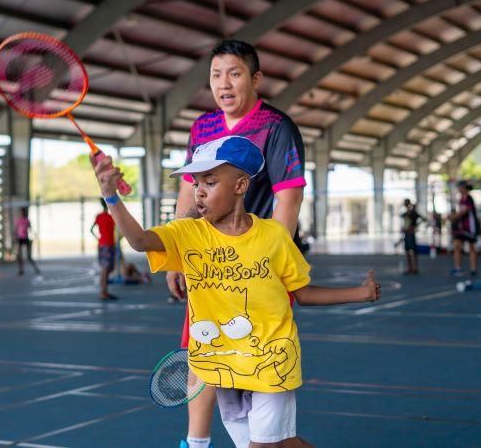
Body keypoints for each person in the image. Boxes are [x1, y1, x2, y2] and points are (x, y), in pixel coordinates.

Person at [92, 137, 380, 448]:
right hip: (220, 367)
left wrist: (360, 293)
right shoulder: (187, 233)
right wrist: (110, 195)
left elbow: (304, 293)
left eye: (211, 182)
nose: (199, 191)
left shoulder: (273, 237)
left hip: (271, 361)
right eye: (197, 182)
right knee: (284, 444)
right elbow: (139, 241)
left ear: (240, 185)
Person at [167, 39, 308, 448]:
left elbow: (289, 197)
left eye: (234, 73)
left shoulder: (276, 127)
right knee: (201, 350)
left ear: (255, 78)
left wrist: (270, 261)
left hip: (257, 268)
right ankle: (195, 443)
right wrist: (177, 255)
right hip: (210, 267)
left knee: (264, 392)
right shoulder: (202, 127)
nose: (224, 84)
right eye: (216, 75)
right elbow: (187, 194)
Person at [448, 181, 480, 277]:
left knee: (471, 247)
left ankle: (473, 269)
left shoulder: (469, 199)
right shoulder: (461, 199)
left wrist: (453, 217)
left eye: (461, 187)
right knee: (457, 245)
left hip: (470, 227)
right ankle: (458, 268)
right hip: (462, 227)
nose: (459, 189)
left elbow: (464, 212)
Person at [91, 199, 118, 300]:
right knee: (106, 269)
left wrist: (98, 238)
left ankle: (104, 290)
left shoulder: (99, 216)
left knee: (105, 268)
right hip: (109, 244)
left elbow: (91, 230)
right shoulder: (111, 217)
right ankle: (103, 291)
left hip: (101, 244)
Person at [400, 199, 425, 275]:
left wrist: (414, 227)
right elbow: (404, 222)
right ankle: (410, 268)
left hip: (410, 233)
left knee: (413, 251)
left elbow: (423, 219)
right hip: (406, 234)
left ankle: (415, 268)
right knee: (407, 251)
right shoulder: (405, 214)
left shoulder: (413, 213)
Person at [15, 207, 41, 277]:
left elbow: (30, 229)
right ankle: (21, 270)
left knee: (29, 256)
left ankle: (36, 268)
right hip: (20, 239)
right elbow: (16, 229)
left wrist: (33, 237)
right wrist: (16, 237)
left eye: (22, 212)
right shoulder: (19, 220)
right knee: (19, 255)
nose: (21, 213)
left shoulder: (27, 220)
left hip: (25, 238)